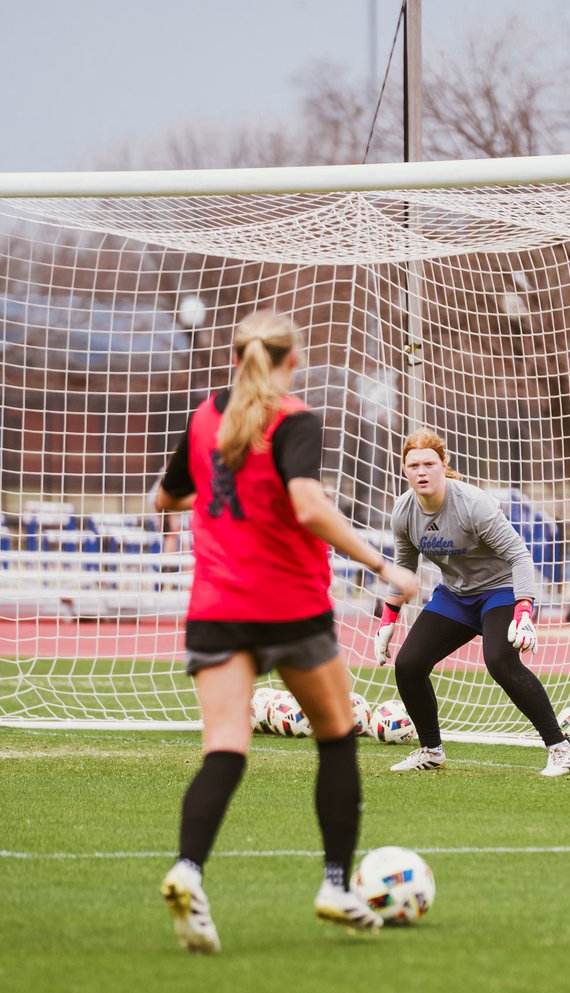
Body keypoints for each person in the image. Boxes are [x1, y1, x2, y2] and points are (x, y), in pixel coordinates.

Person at [154, 309, 418, 953]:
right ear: (290, 360)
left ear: (237, 356)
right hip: (288, 606)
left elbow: (167, 498)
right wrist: (384, 565)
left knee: (225, 746)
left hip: (216, 607)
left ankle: (188, 871)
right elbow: (304, 503)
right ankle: (335, 883)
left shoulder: (203, 417)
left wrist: (231, 497)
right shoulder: (294, 419)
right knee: (336, 735)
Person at [374, 428, 570, 778]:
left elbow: (520, 556)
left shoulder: (474, 503)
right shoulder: (403, 512)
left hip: (500, 591)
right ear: (404, 470)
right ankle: (431, 751)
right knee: (409, 664)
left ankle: (560, 748)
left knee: (500, 660)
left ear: (444, 465)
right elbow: (405, 568)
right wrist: (388, 618)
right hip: (455, 595)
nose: (421, 472)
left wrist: (524, 611)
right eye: (413, 465)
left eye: (428, 463)